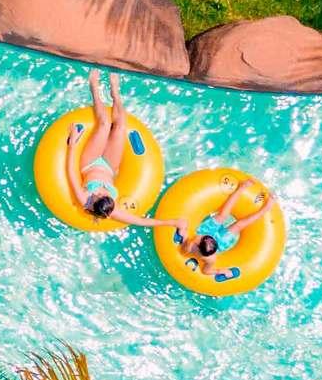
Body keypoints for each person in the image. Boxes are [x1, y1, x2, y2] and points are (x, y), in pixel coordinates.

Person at [62, 69, 172, 229]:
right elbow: (140, 221)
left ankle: (94, 87)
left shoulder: (85, 199)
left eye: (98, 195)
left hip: (89, 164)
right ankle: (115, 92)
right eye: (103, 194)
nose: (99, 192)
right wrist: (172, 222)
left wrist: (72, 144)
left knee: (105, 124)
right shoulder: (111, 209)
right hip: (109, 167)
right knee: (120, 127)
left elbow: (72, 173)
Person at [175, 180, 272, 281]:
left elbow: (184, 248)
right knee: (238, 225)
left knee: (223, 215)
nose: (210, 238)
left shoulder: (195, 241)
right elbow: (206, 271)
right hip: (220, 242)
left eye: (206, 239)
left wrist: (182, 234)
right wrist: (223, 271)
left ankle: (241, 188)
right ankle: (265, 209)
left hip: (206, 231)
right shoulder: (211, 259)